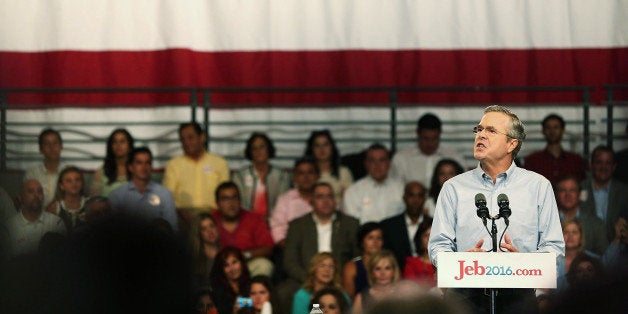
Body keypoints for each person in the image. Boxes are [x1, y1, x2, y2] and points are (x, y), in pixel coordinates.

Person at [428, 105, 564, 314]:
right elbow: (438, 246)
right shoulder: (453, 187)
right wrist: (461, 263)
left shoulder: (538, 186)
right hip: (465, 297)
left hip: (518, 296)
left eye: (491, 130)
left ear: (511, 144)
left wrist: (524, 265)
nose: (481, 135)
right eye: (479, 129)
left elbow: (553, 246)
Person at [278, 182, 359, 314]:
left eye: (329, 196)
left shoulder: (350, 224)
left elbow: (357, 256)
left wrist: (341, 277)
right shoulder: (298, 225)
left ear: (335, 200)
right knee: (285, 292)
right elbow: (290, 261)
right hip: (305, 279)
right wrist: (312, 280)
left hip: (339, 278)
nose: (325, 201)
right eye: (320, 197)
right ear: (311, 201)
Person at [163, 122, 230, 215]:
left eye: (190, 138)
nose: (186, 142)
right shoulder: (173, 165)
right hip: (182, 215)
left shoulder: (219, 163)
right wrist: (182, 213)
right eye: (183, 139)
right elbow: (168, 197)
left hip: (214, 214)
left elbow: (226, 195)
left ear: (202, 137)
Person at [108, 147, 179, 232]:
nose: (144, 167)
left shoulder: (164, 194)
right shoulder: (117, 195)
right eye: (139, 163)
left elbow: (172, 228)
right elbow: (113, 229)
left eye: (147, 163)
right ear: (130, 167)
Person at [211, 182, 274, 277]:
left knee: (264, 265)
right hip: (219, 267)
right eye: (225, 199)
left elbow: (268, 248)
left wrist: (245, 255)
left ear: (240, 200)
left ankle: (252, 291)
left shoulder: (253, 219)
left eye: (235, 198)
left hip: (245, 267)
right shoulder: (210, 219)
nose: (231, 203)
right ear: (217, 203)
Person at [390, 113, 463, 189]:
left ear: (440, 133)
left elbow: (462, 186)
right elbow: (396, 188)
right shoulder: (401, 158)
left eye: (434, 138)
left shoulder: (454, 157)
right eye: (426, 139)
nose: (430, 143)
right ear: (417, 133)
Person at [233, 132, 291, 220]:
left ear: (269, 149)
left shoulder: (282, 176)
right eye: (254, 148)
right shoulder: (239, 177)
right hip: (247, 224)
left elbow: (282, 205)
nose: (258, 151)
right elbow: (240, 205)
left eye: (262, 147)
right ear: (250, 152)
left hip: (276, 224)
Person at [343, 143, 405, 224]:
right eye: (372, 161)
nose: (377, 165)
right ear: (366, 164)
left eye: (382, 160)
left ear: (389, 163)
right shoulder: (353, 192)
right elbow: (352, 224)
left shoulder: (402, 189)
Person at [4, 179, 65, 257]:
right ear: (20, 198)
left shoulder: (56, 223)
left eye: (39, 191)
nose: (36, 195)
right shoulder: (8, 228)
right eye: (30, 191)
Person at [581, 145, 628, 242]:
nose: (603, 167)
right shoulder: (579, 189)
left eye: (608, 163)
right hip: (585, 249)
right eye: (599, 162)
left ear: (614, 167)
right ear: (591, 165)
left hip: (618, 249)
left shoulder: (624, 192)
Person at [524, 113, 587, 185]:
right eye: (548, 127)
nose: (552, 131)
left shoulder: (575, 161)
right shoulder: (532, 161)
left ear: (562, 131)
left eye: (556, 127)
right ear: (543, 131)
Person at [269, 157, 319, 245]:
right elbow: (276, 227)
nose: (306, 177)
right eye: (301, 173)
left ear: (317, 176)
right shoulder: (285, 199)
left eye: (310, 172)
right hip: (291, 247)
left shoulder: (325, 197)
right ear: (295, 177)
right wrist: (289, 247)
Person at [380, 181, 430, 270]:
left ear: (425, 199)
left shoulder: (436, 224)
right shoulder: (388, 226)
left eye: (420, 196)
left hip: (430, 277)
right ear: (404, 198)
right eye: (411, 195)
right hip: (396, 278)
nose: (415, 201)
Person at [555, 175, 608, 255]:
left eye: (572, 190)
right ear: (556, 195)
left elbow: (605, 260)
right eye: (563, 190)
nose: (567, 195)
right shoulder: (545, 224)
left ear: (579, 194)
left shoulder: (596, 224)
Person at [304, 130, 354, 208]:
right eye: (317, 145)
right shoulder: (305, 173)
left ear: (332, 147)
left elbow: (349, 201)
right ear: (311, 149)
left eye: (325, 145)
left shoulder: (343, 172)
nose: (322, 149)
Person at [24, 128, 66, 207]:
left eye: (55, 143)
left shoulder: (69, 173)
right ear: (40, 149)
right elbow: (27, 201)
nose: (52, 147)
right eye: (47, 144)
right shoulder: (32, 173)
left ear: (61, 147)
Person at [342, 222, 383, 299]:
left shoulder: (390, 264)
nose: (375, 242)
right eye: (370, 238)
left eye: (379, 238)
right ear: (362, 242)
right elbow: (348, 301)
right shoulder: (351, 267)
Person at [90, 128, 135, 196]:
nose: (118, 145)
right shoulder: (101, 172)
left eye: (122, 141)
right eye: (114, 142)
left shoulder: (138, 170)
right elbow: (94, 201)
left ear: (130, 145)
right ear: (110, 146)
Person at [45, 166, 89, 233]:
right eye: (69, 181)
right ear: (61, 186)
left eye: (77, 179)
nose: (74, 183)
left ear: (82, 183)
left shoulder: (90, 204)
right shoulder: (54, 207)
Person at [209, 247, 251, 314]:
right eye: (226, 265)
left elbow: (254, 301)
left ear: (242, 263)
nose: (232, 269)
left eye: (234, 262)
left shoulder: (250, 283)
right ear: (221, 269)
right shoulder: (218, 290)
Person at [403, 217, 436, 289]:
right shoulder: (412, 264)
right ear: (420, 240)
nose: (429, 239)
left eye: (433, 235)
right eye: (426, 235)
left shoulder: (449, 262)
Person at [190, 212, 221, 288]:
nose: (210, 231)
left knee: (250, 300)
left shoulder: (227, 252)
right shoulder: (196, 259)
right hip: (213, 297)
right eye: (204, 229)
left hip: (235, 297)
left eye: (212, 226)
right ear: (199, 233)